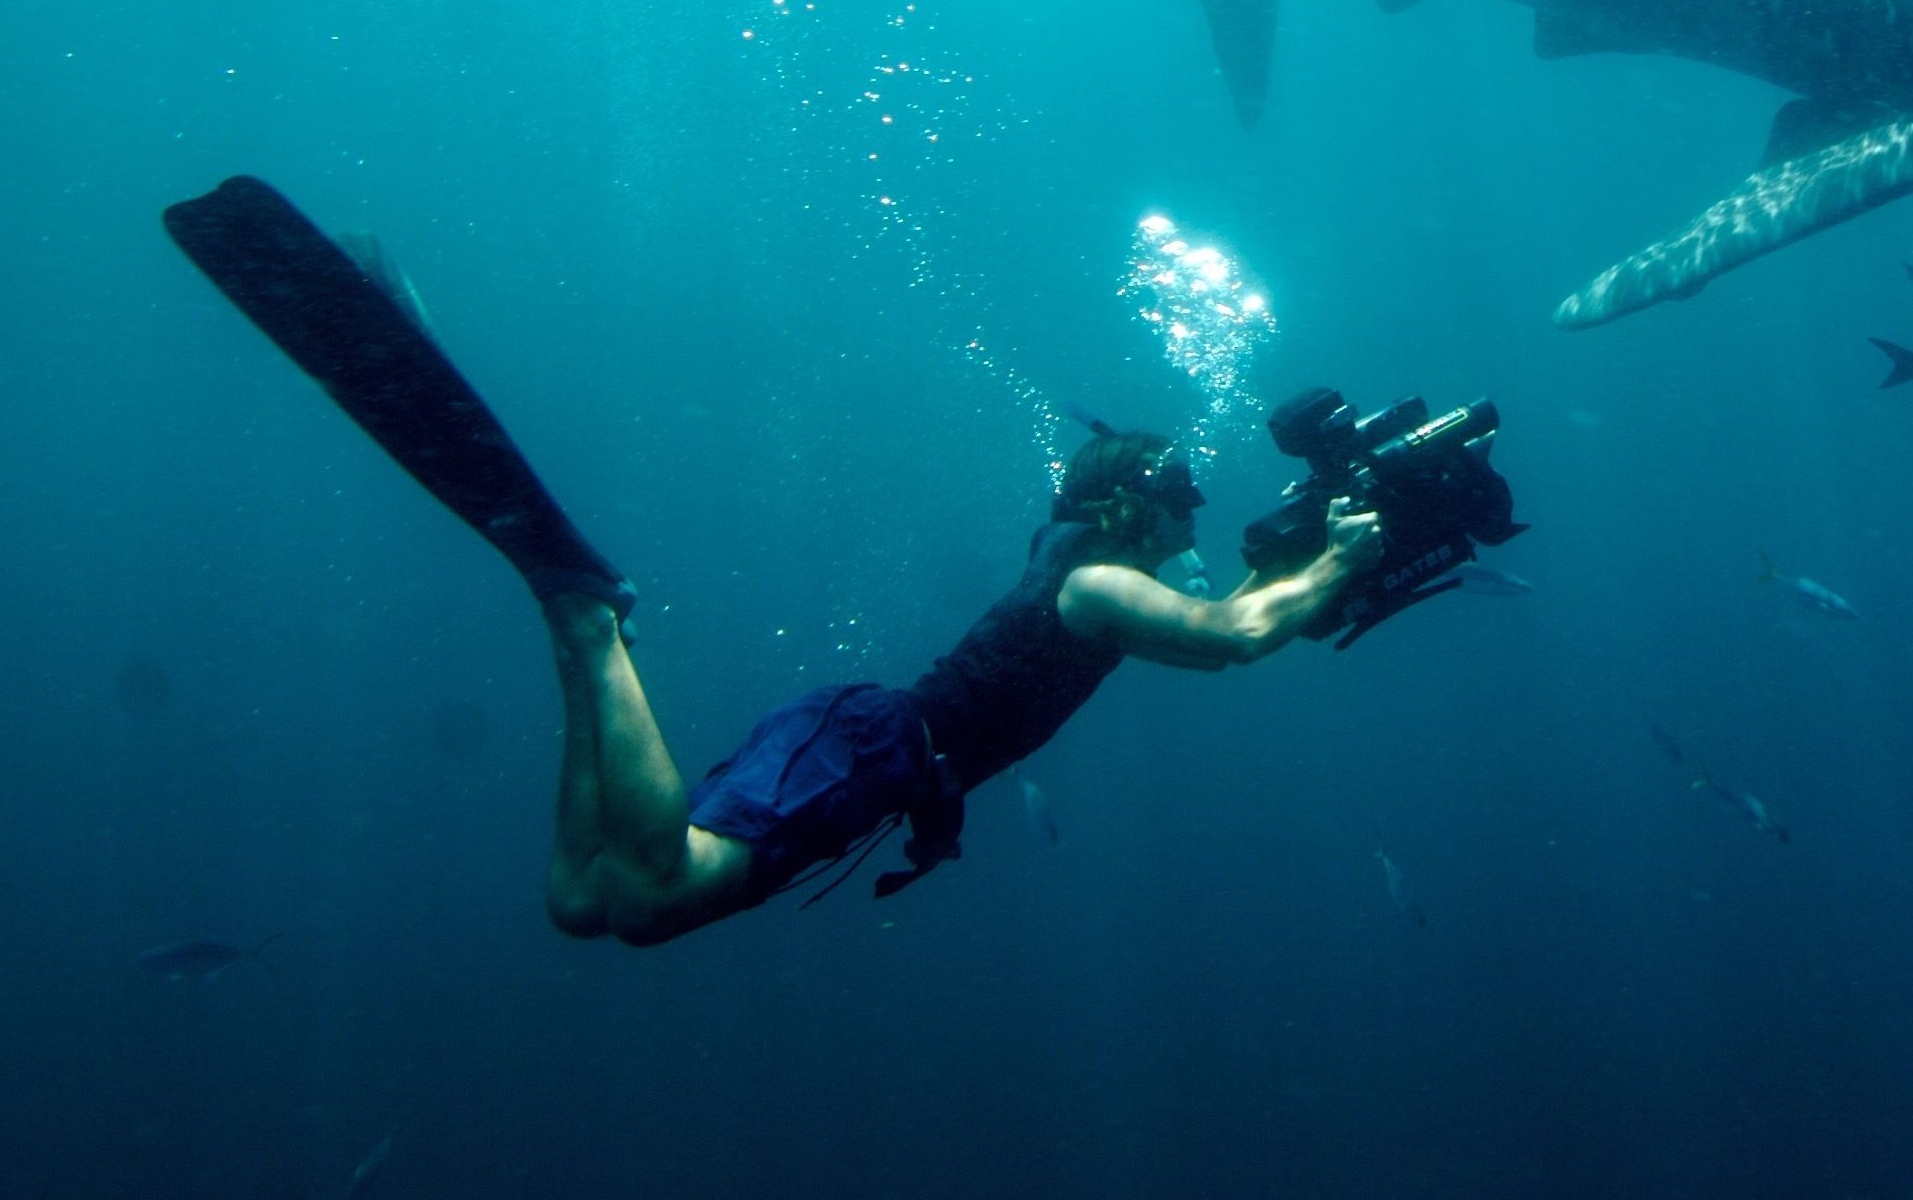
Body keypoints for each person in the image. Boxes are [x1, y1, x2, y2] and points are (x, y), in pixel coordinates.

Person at [163, 176, 1382, 947]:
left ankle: (573, 620)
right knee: (656, 893)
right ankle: (588, 615)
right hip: (872, 742)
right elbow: (1234, 637)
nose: (1192, 517)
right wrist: (1342, 553)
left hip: (868, 745)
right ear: (1125, 503)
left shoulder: (1087, 571)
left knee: (591, 904)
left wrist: (1313, 554)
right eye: (1177, 494)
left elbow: (1227, 610)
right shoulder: (1096, 586)